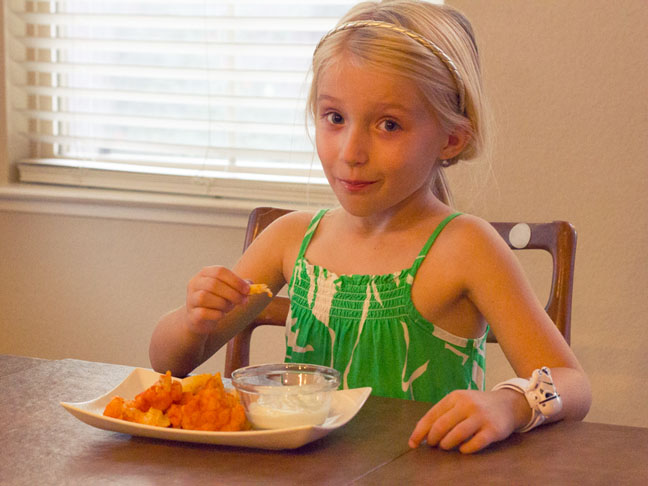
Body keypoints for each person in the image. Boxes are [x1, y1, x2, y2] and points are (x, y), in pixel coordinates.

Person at [150, 0, 591, 453]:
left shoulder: (466, 247)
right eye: (335, 118)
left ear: (451, 138)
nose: (351, 151)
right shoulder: (290, 239)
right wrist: (192, 319)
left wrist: (510, 404)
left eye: (389, 124)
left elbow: (573, 385)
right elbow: (170, 362)